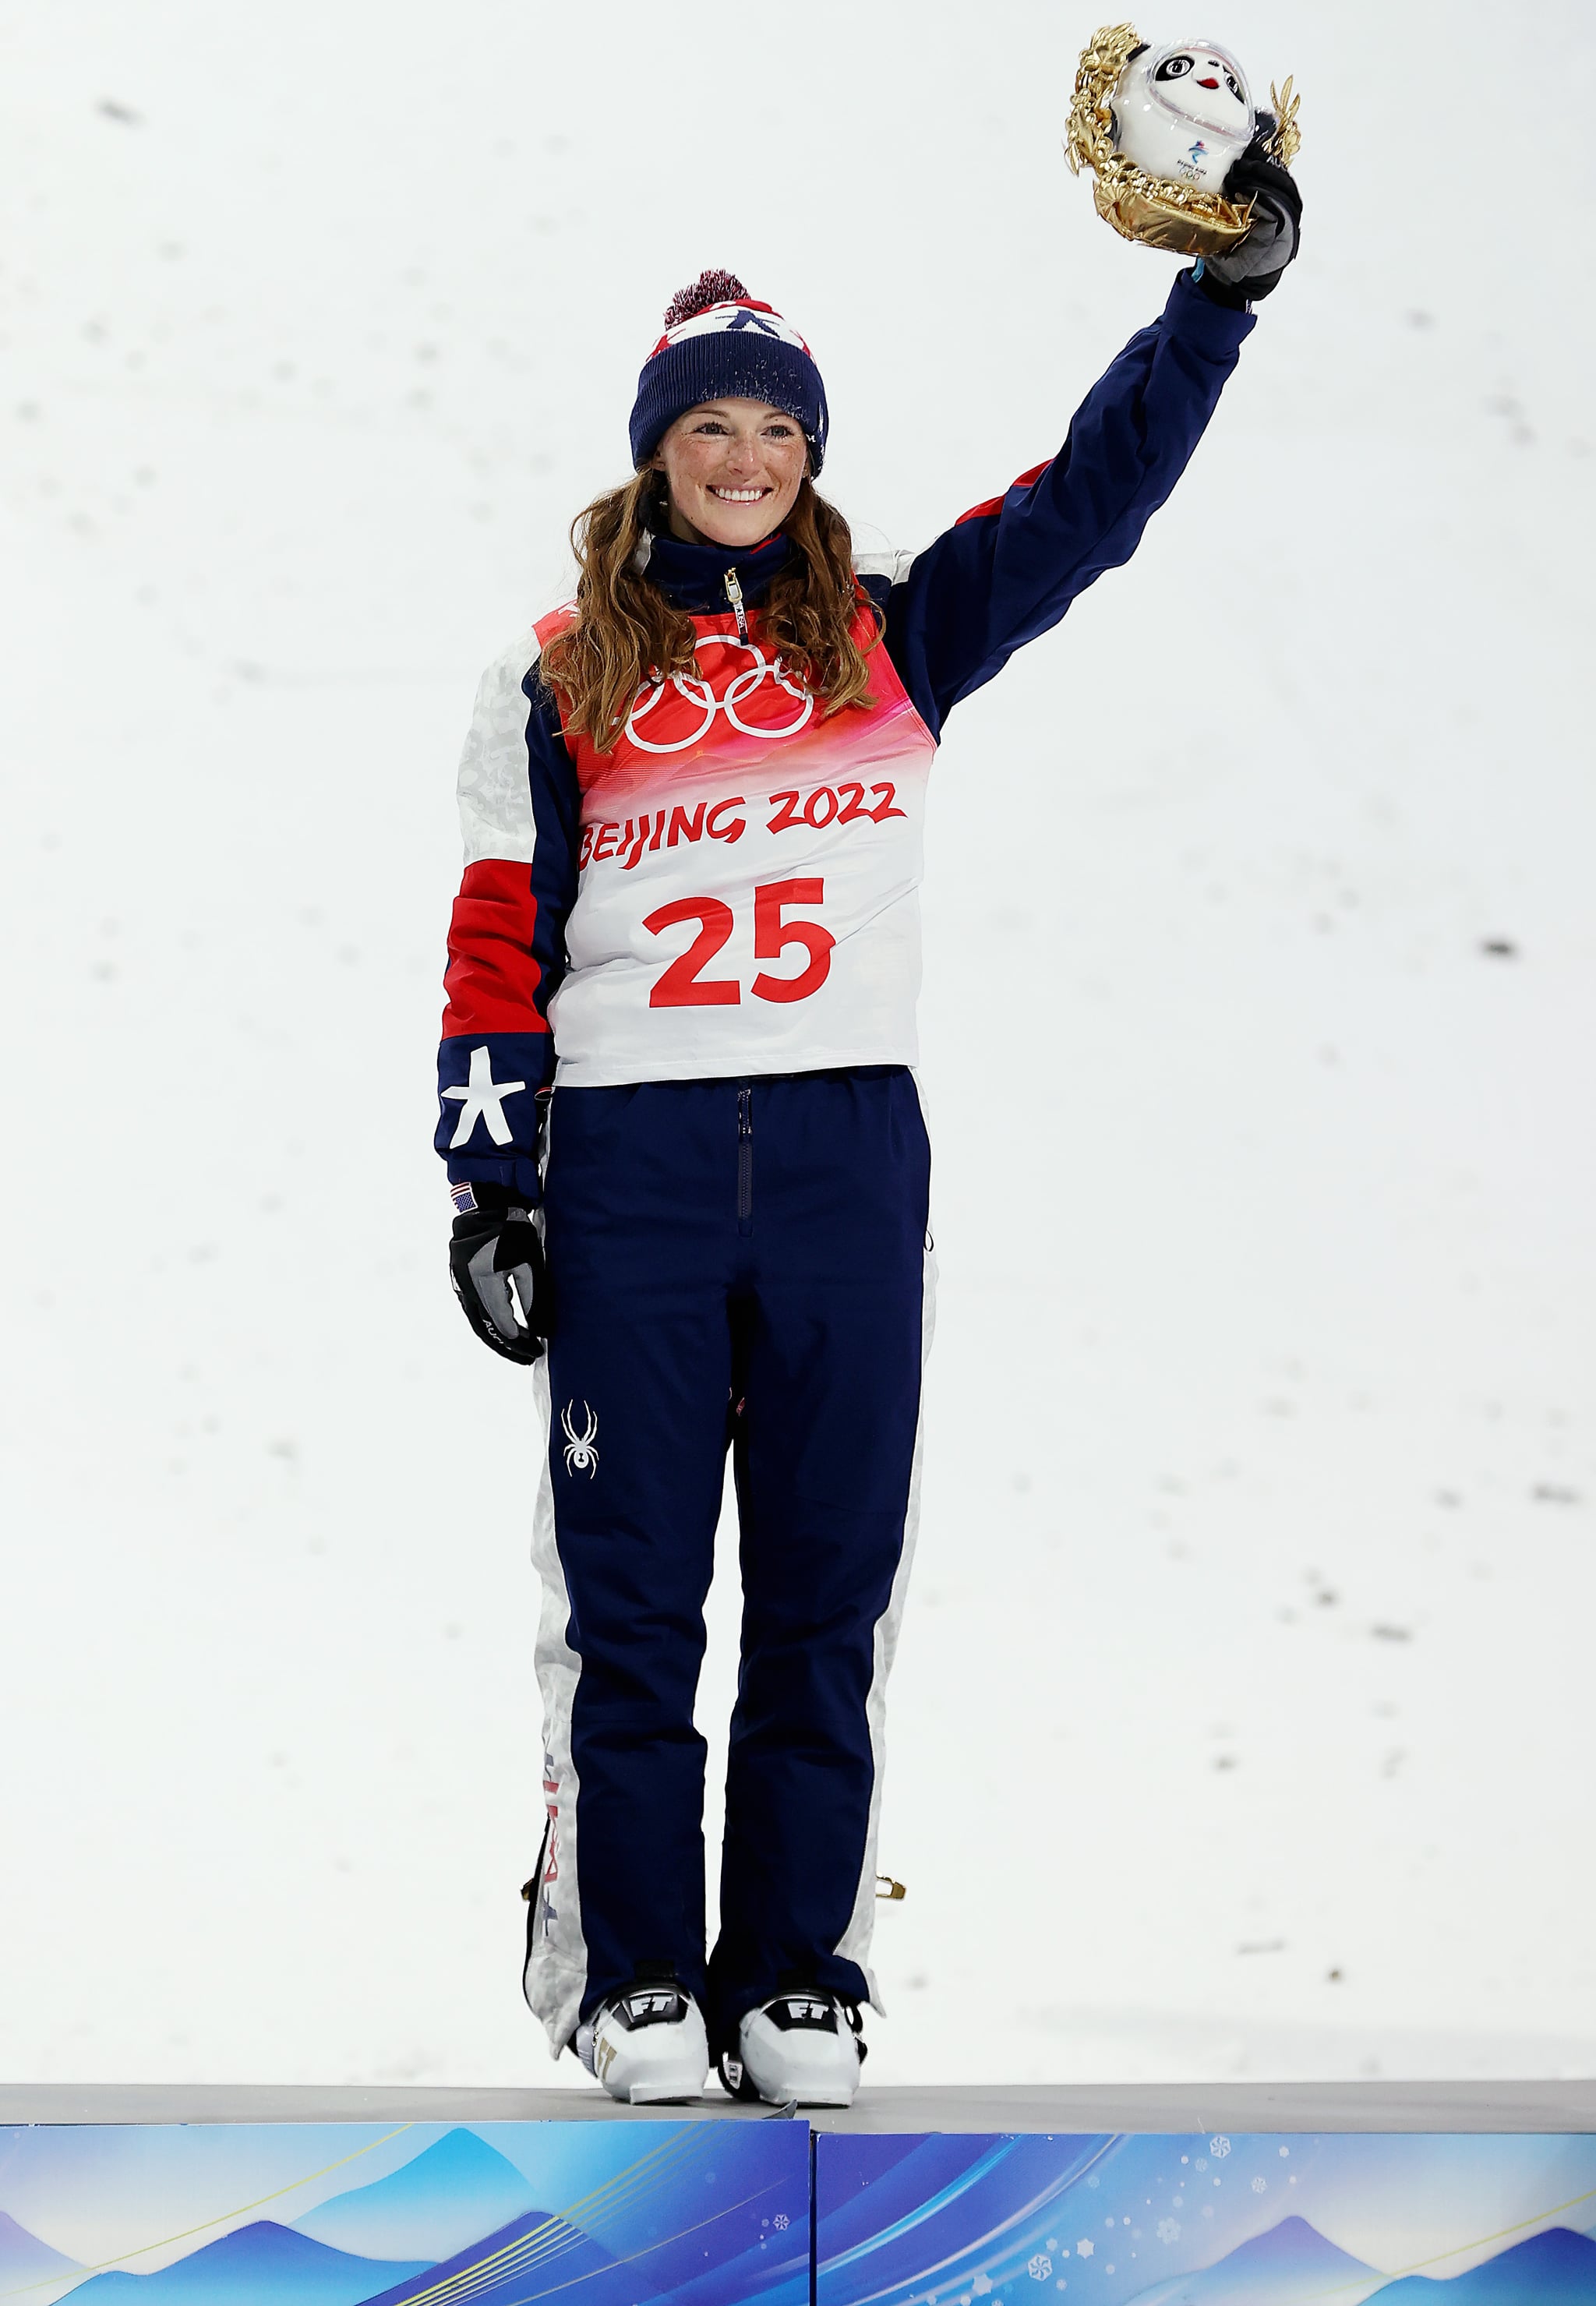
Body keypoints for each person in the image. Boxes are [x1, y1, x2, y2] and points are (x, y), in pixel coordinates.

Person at [434, 151, 1301, 2107]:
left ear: (811, 454)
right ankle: (633, 1975)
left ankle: (798, 1974)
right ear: (655, 451)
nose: (746, 456)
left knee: (830, 1587)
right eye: (711, 426)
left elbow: (1090, 507)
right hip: (637, 1168)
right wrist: (490, 1183)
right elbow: (497, 929)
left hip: (843, 1157)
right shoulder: (552, 671)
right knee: (633, 1593)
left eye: (779, 427)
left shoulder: (894, 634)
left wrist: (1214, 305)